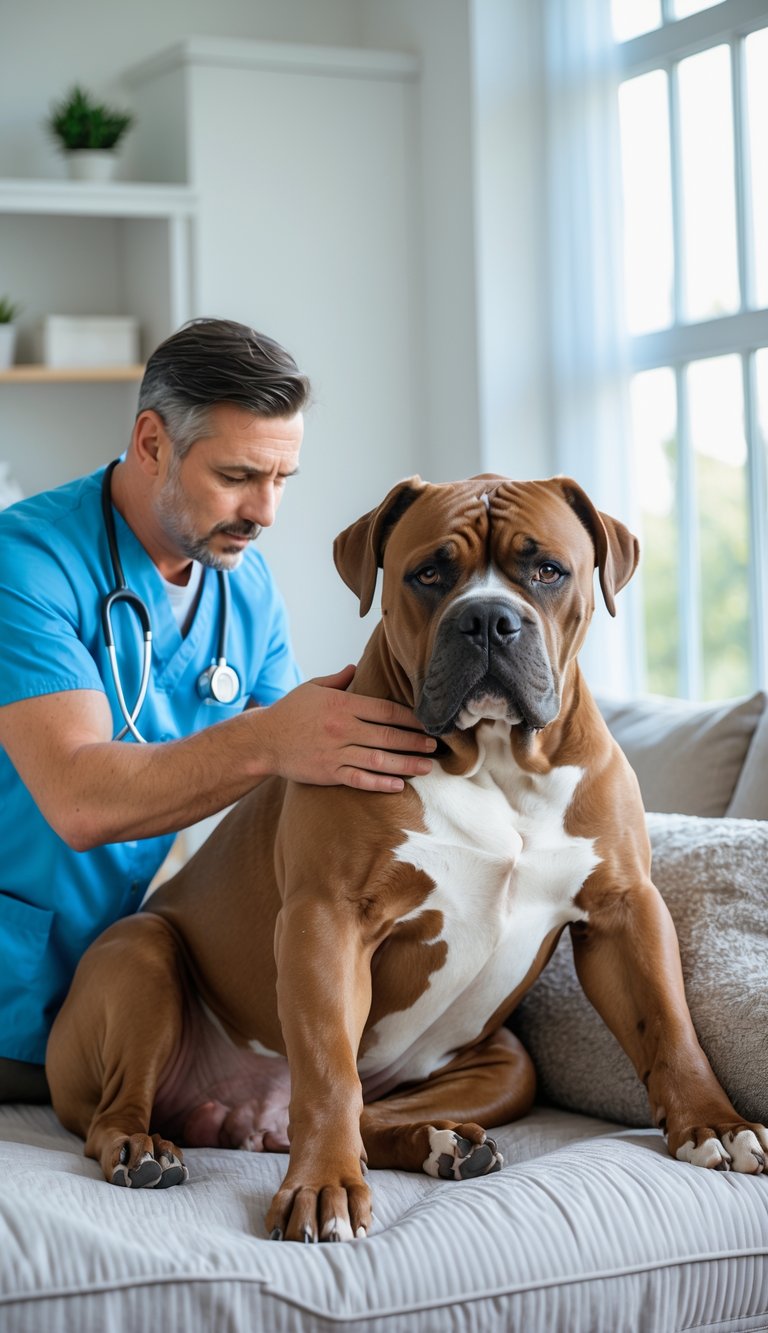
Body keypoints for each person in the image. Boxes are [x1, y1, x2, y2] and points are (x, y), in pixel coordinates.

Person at [0, 318, 435, 1103]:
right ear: (151, 442)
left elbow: (299, 785)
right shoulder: (25, 566)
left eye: (281, 480)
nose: (264, 511)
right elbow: (80, 800)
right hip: (17, 990)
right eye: (237, 476)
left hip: (149, 988)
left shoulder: (246, 586)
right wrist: (273, 737)